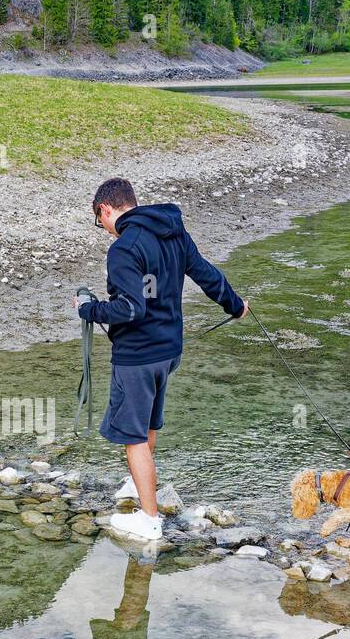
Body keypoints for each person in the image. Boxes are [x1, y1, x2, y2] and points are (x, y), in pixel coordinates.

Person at [77, 177, 247, 541]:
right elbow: (206, 274)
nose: (104, 230)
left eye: (100, 221)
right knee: (149, 423)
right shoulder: (173, 232)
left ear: (105, 209)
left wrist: (89, 309)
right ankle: (138, 486)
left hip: (137, 357)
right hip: (169, 351)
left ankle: (150, 520)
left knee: (134, 436)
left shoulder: (124, 248)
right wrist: (236, 306)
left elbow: (129, 308)